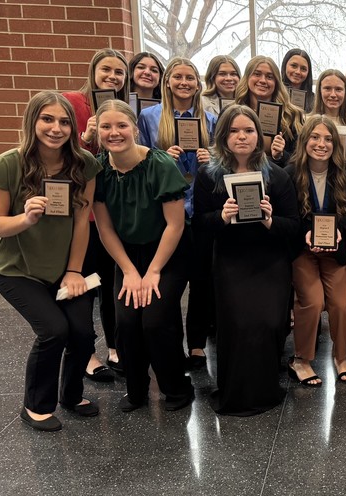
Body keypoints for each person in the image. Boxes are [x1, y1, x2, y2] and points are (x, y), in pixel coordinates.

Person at [0, 91, 102, 431]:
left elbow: (82, 222)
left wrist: (74, 270)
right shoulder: (7, 164)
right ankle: (36, 405)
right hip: (15, 268)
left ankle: (71, 395)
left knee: (82, 332)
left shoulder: (84, 164)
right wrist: (26, 219)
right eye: (47, 119)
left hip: (64, 267)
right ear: (32, 122)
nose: (56, 128)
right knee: (53, 331)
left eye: (64, 122)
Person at [194, 104, 299, 414]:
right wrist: (221, 217)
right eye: (234, 131)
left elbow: (293, 226)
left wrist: (270, 221)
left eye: (249, 130)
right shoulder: (208, 176)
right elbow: (199, 223)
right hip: (231, 261)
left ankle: (266, 391)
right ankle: (235, 393)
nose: (242, 137)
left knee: (268, 323)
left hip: (270, 261)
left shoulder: (277, 176)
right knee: (237, 326)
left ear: (259, 135)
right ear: (223, 136)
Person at [91, 99, 195, 412]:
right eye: (106, 126)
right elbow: (105, 228)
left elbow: (175, 225)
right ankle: (136, 391)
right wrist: (129, 271)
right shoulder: (98, 169)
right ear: (98, 132)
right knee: (126, 321)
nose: (114, 132)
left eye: (121, 125)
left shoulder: (159, 164)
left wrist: (153, 271)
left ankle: (176, 388)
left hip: (168, 251)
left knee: (155, 320)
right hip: (126, 254)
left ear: (135, 129)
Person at [137, 57, 218, 370]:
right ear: (167, 81)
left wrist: (211, 159)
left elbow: (223, 164)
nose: (184, 83)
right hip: (167, 212)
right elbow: (139, 161)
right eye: (178, 77)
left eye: (190, 78)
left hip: (200, 209)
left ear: (198, 84)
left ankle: (197, 344)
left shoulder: (210, 119)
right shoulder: (149, 117)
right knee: (170, 284)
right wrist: (160, 158)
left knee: (201, 281)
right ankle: (172, 343)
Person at [62, 48, 127, 382]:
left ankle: (115, 346)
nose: (112, 77)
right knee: (85, 283)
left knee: (111, 284)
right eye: (106, 70)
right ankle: (86, 353)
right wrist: (85, 139)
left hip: (112, 212)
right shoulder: (74, 103)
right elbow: (59, 151)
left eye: (119, 72)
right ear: (93, 71)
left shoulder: (122, 108)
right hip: (82, 214)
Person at [284, 115, 346, 385]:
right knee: (313, 301)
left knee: (341, 303)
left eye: (328, 139)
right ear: (305, 140)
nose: (321, 144)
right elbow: (290, 215)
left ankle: (341, 357)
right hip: (303, 248)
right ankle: (301, 360)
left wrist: (338, 230)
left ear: (336, 144)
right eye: (315, 137)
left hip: (336, 248)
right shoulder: (290, 173)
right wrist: (308, 232)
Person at [236, 55, 304, 165]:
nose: (263, 80)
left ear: (276, 82)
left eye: (269, 77)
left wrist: (281, 155)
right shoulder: (232, 113)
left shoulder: (293, 115)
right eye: (257, 74)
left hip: (279, 173)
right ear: (247, 78)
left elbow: (299, 159)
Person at [281, 48, 315, 113]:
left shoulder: (314, 100)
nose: (298, 72)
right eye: (294, 66)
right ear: (285, 66)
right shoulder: (275, 94)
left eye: (303, 69)